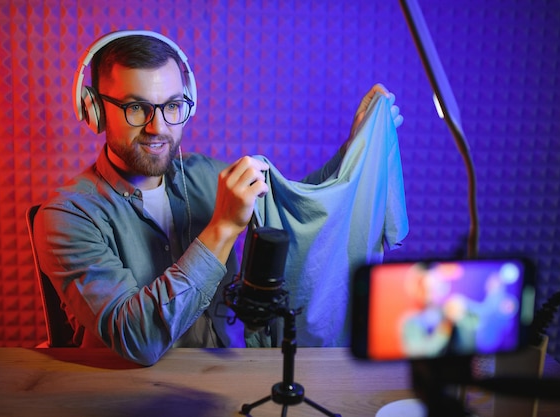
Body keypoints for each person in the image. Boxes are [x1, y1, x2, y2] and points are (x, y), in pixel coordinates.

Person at [33, 30, 403, 366]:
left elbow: (296, 211)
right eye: (136, 108)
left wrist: (354, 152)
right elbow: (138, 338)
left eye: (173, 106)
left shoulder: (206, 175)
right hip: (130, 394)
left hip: (230, 378)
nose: (158, 126)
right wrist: (223, 227)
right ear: (94, 110)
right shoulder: (66, 217)